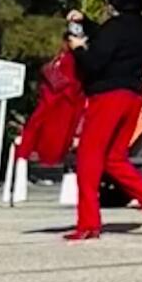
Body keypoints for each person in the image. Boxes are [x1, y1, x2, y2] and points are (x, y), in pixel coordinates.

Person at [64, 0, 142, 241]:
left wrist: (77, 48)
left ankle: (88, 222)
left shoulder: (115, 26)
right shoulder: (139, 26)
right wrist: (86, 24)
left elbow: (95, 61)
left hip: (108, 95)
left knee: (89, 158)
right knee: (114, 158)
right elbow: (107, 39)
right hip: (133, 94)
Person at [16, 12, 87, 171]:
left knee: (45, 131)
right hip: (60, 99)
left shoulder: (68, 57)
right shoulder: (68, 57)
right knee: (48, 131)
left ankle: (31, 160)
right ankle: (38, 161)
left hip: (60, 99)